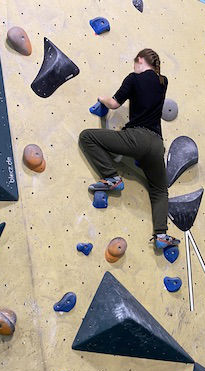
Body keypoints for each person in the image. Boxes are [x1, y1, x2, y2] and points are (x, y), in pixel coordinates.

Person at [79, 49, 180, 250]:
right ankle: (161, 234)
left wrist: (102, 98)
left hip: (136, 138)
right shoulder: (163, 82)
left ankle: (111, 177)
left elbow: (115, 104)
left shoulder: (133, 78)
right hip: (157, 145)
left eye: (135, 63)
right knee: (160, 190)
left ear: (140, 60)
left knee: (87, 137)